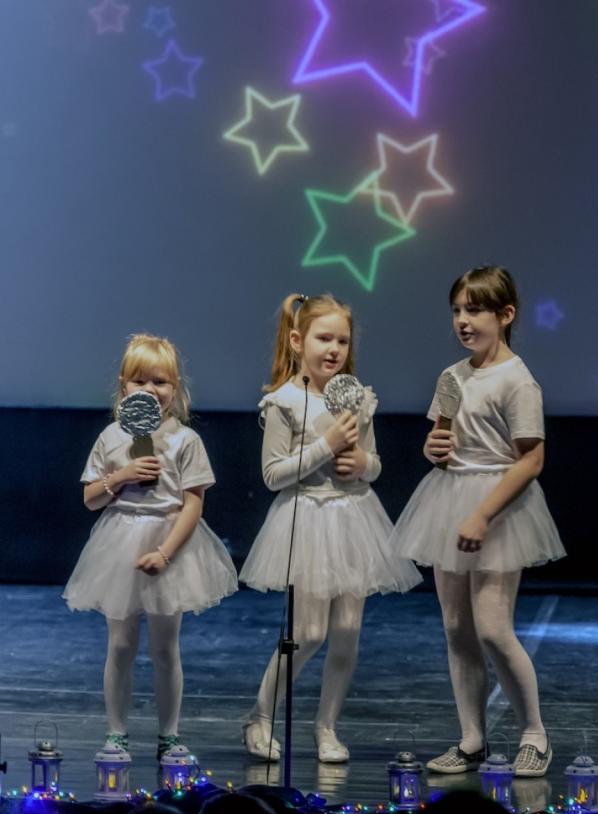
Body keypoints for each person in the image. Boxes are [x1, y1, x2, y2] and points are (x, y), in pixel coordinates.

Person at [392, 266, 565, 778]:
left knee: (492, 627)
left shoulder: (518, 380)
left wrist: (483, 513)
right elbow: (442, 440)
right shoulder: (453, 377)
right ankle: (472, 739)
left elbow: (531, 459)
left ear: (505, 315)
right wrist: (433, 448)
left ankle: (534, 733)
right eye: (457, 311)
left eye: (475, 310)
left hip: (498, 504)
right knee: (456, 625)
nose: (463, 321)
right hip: (450, 497)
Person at [240, 293, 420, 763]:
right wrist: (326, 445)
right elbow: (273, 474)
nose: (334, 349)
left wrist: (362, 463)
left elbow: (373, 463)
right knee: (310, 632)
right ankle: (260, 716)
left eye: (342, 340)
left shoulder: (356, 397)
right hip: (308, 519)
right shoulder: (284, 401)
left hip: (354, 517)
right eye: (324, 338)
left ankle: (327, 726)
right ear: (298, 341)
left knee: (347, 630)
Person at [65, 334, 237, 760]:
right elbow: (91, 499)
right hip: (120, 541)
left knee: (165, 647)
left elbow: (193, 503)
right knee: (121, 645)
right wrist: (121, 476)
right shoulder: (110, 437)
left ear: (175, 388)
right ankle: (116, 733)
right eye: (139, 381)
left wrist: (165, 553)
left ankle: (169, 735)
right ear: (123, 386)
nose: (149, 390)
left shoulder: (185, 440)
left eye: (160, 381)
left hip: (169, 542)